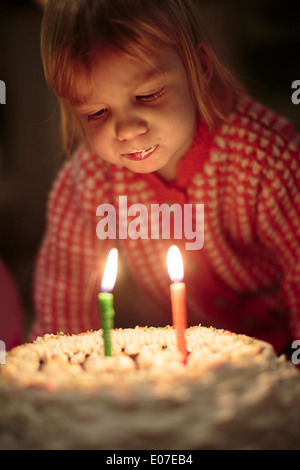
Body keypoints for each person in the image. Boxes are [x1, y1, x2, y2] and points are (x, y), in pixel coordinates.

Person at [29, 0, 300, 358]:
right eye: (96, 112)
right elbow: (63, 309)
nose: (125, 128)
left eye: (148, 95)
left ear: (198, 68)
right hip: (177, 365)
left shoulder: (268, 157)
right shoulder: (87, 183)